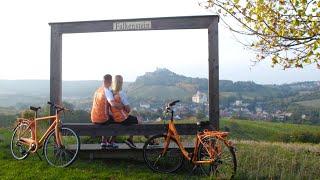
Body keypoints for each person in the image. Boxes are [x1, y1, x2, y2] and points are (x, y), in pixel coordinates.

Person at [106, 75, 140, 148]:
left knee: (119, 125)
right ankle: (130, 139)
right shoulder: (121, 93)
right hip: (122, 118)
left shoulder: (110, 92)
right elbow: (128, 109)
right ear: (121, 83)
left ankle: (110, 142)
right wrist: (124, 107)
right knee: (138, 120)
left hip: (113, 117)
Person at [91, 74, 123, 149]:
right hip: (102, 119)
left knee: (107, 117)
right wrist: (122, 106)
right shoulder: (107, 91)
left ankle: (104, 142)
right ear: (110, 81)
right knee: (119, 120)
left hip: (94, 118)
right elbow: (112, 104)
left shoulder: (98, 90)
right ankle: (111, 142)